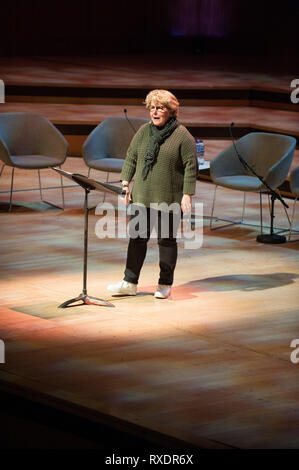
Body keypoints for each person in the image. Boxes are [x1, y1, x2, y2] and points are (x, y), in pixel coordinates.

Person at [107, 89, 198, 299]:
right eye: (152, 108)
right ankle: (129, 282)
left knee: (166, 241)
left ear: (171, 111)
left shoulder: (182, 136)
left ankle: (165, 284)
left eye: (160, 108)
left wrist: (187, 195)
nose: (155, 112)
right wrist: (125, 185)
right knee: (137, 238)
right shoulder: (143, 131)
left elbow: (190, 166)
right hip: (143, 195)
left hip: (169, 198)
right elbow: (131, 158)